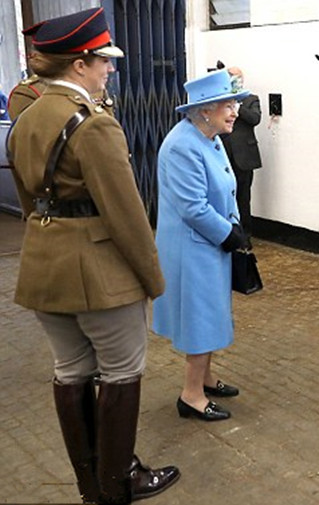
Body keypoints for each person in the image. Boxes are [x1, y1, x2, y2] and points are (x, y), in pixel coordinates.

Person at [6, 7, 180, 503]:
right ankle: (118, 483)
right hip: (101, 274)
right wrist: (153, 279)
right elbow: (125, 214)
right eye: (103, 61)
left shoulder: (27, 116)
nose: (109, 70)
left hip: (44, 266)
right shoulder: (94, 125)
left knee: (70, 372)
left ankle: (91, 484)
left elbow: (28, 201)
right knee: (122, 372)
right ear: (79, 64)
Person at [152, 69, 250, 422]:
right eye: (228, 104)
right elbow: (192, 207)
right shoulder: (181, 145)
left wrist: (235, 223)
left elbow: (226, 183)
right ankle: (190, 395)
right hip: (192, 248)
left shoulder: (208, 136)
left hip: (211, 243)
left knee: (211, 313)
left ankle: (205, 379)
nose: (235, 111)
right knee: (199, 319)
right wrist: (229, 234)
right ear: (204, 109)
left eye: (235, 103)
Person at [220, 66, 262, 246]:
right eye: (231, 78)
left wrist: (237, 104)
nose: (234, 81)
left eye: (237, 78)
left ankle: (245, 236)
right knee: (224, 195)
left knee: (243, 197)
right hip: (223, 155)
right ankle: (227, 232)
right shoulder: (221, 100)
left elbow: (255, 119)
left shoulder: (251, 99)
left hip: (244, 157)